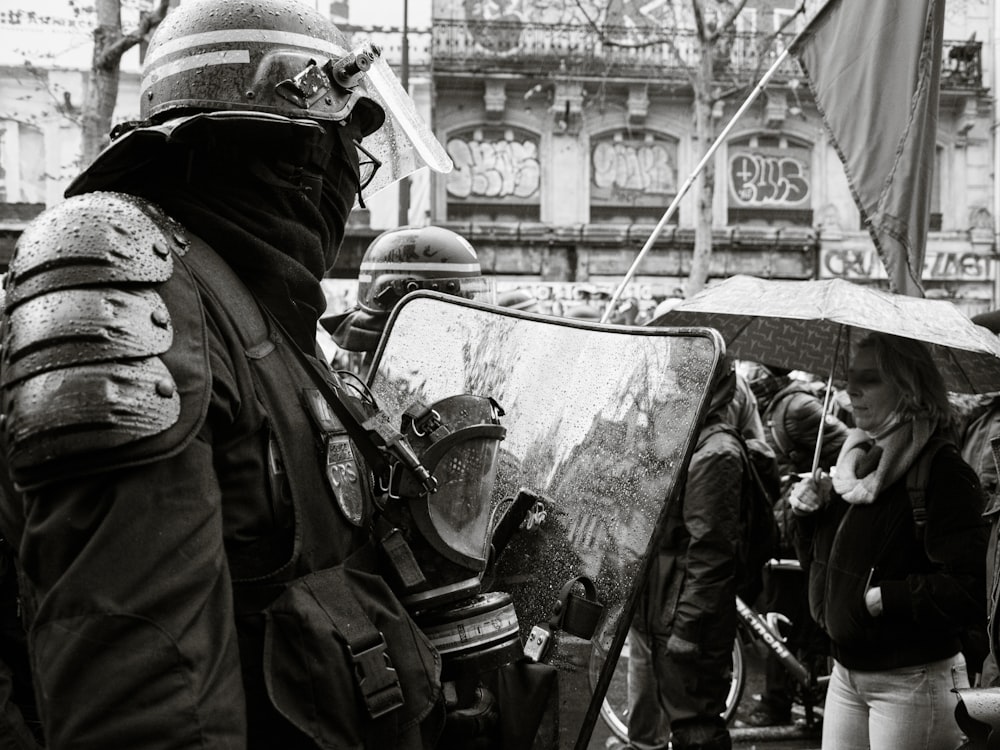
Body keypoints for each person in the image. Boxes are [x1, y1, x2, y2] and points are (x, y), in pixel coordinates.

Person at [0, 1, 456, 747]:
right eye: (349, 153)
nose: (351, 187)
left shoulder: (246, 308)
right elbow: (148, 695)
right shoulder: (131, 277)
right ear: (302, 154)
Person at [787, 332, 987, 750]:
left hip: (911, 683)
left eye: (869, 378)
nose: (850, 389)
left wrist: (888, 598)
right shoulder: (854, 467)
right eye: (849, 377)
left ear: (909, 388)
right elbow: (821, 568)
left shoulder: (944, 472)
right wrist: (809, 517)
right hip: (845, 675)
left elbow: (971, 589)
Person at [627, 359, 746, 750]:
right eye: (676, 380)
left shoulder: (715, 451)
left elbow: (711, 557)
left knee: (694, 728)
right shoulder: (684, 438)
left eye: (685, 381)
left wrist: (688, 633)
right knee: (668, 722)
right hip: (660, 611)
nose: (674, 391)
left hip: (683, 621)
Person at [743, 363, 849, 727]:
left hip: (797, 526)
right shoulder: (770, 404)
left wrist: (812, 477)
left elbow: (849, 448)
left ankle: (780, 701)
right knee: (779, 612)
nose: (748, 372)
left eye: (754, 367)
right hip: (781, 524)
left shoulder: (797, 406)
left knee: (787, 615)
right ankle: (787, 696)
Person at [320, 225, 491, 375]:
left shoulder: (433, 365)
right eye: (458, 304)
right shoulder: (399, 375)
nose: (467, 318)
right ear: (413, 299)